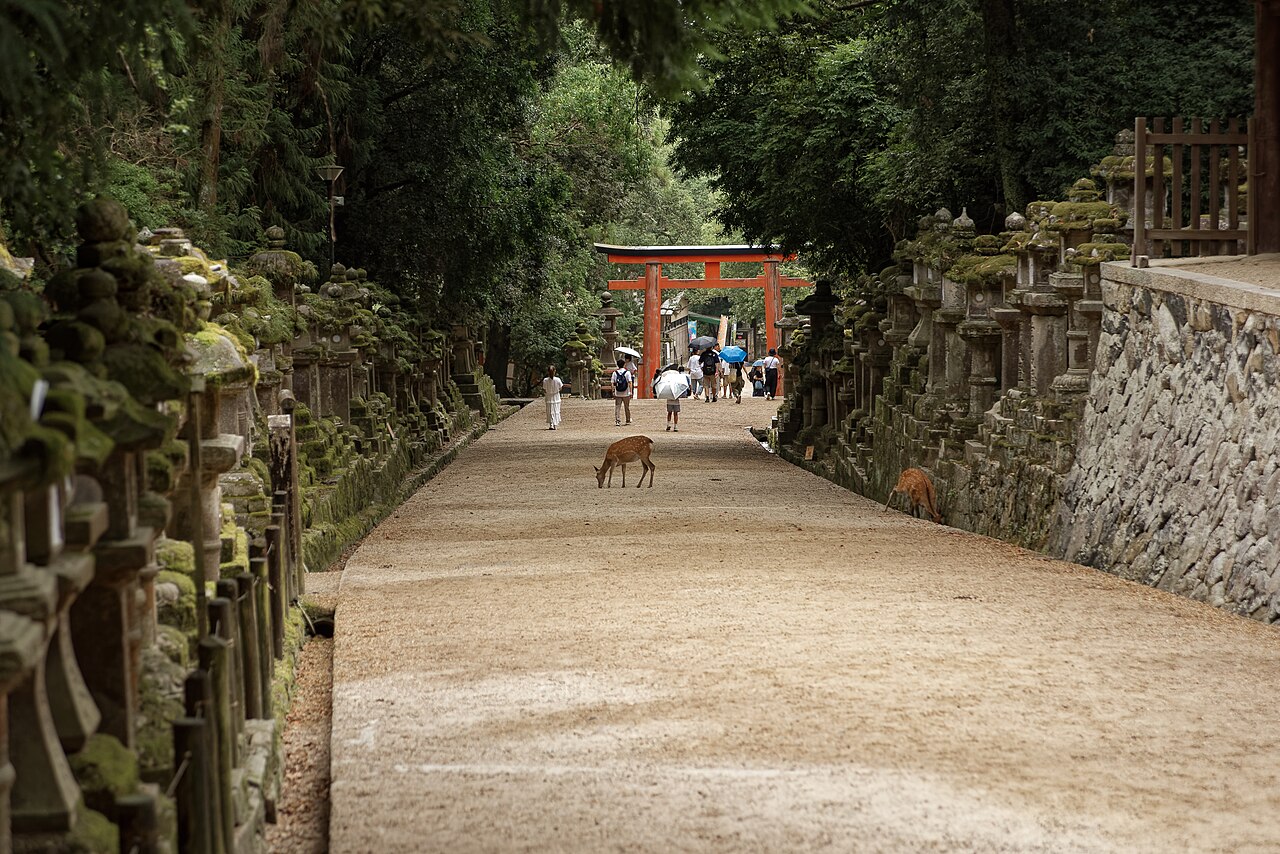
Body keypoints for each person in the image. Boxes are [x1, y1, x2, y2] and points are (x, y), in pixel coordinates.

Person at [664, 366, 688, 432]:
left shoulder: (667, 385)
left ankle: (668, 424)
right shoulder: (677, 385)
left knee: (669, 413)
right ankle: (675, 426)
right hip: (676, 401)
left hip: (669, 401)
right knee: (675, 413)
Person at [611, 357, 633, 426]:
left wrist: (613, 391)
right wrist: (631, 391)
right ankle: (628, 420)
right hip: (626, 392)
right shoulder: (627, 373)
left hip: (618, 393)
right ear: (624, 365)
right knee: (627, 407)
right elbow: (630, 382)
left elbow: (612, 383)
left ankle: (617, 420)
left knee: (617, 407)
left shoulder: (615, 373)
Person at [541, 365, 563, 430]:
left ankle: (551, 424)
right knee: (556, 410)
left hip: (549, 397)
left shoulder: (545, 380)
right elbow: (560, 388)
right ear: (555, 371)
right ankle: (555, 424)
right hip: (556, 396)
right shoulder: (558, 380)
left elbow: (544, 389)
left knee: (550, 411)